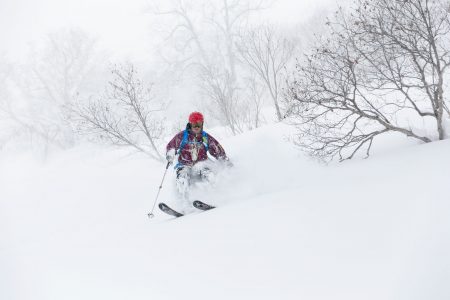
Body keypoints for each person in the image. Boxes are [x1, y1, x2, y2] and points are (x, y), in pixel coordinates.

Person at [166, 112, 232, 202]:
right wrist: (170, 154)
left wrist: (225, 160)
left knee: (209, 176)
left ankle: (214, 198)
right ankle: (183, 204)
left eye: (199, 124)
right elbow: (171, 146)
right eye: (194, 124)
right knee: (182, 178)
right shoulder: (183, 136)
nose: (197, 127)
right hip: (184, 164)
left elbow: (216, 149)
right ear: (190, 124)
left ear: (202, 124)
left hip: (201, 164)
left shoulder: (205, 137)